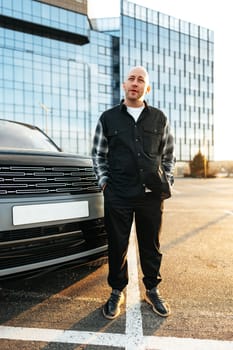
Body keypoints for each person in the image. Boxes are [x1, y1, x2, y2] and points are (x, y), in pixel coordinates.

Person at [92, 66, 175, 319]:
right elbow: (98, 154)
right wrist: (105, 183)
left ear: (146, 88)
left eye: (141, 80)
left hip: (152, 194)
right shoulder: (108, 118)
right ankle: (117, 291)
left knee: (151, 245)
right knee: (117, 245)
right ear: (124, 85)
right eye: (131, 78)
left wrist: (166, 181)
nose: (135, 83)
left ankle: (152, 289)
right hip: (118, 194)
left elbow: (168, 155)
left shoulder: (159, 118)